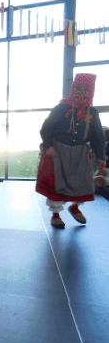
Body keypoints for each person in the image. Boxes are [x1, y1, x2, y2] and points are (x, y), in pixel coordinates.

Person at [36, 73, 106, 228]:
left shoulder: (92, 112)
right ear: (74, 89)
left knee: (84, 181)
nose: (82, 93)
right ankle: (55, 215)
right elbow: (46, 128)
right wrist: (48, 146)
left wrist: (101, 156)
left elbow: (98, 136)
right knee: (58, 183)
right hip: (59, 150)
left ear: (91, 91)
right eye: (79, 89)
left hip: (80, 152)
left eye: (87, 90)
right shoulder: (62, 108)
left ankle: (75, 207)